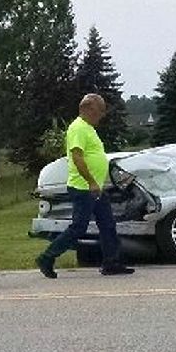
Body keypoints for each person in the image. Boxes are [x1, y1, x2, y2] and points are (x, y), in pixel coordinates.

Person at [36, 93, 134, 277]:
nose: (102, 114)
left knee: (107, 224)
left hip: (95, 187)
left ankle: (111, 262)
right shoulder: (78, 128)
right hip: (83, 187)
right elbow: (77, 157)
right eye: (100, 110)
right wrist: (90, 182)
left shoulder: (89, 128)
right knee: (79, 227)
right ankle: (47, 257)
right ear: (88, 108)